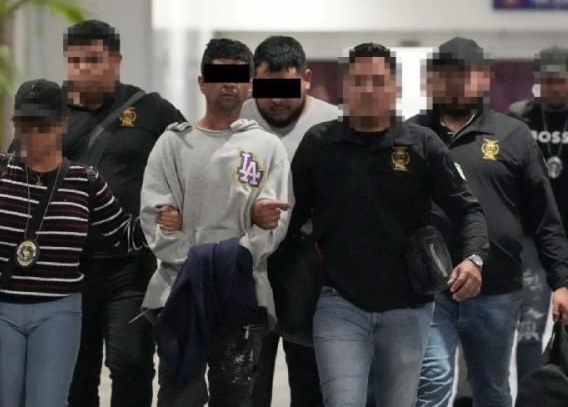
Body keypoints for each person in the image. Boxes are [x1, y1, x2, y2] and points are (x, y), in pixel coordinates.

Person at [287, 42, 488, 407]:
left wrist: (474, 258)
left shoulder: (421, 144)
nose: (368, 90)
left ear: (395, 87)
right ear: (345, 87)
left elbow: (468, 210)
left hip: (408, 308)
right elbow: (291, 220)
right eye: (359, 81)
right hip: (338, 303)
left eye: (378, 81)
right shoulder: (319, 144)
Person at [0, 79, 146, 407]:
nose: (33, 135)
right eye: (25, 125)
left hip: (58, 310)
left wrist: (158, 221)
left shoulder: (85, 181)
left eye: (43, 125)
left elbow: (122, 235)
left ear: (62, 124)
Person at [412, 37, 568, 407]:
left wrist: (562, 281)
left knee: (491, 388)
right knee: (433, 380)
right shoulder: (412, 135)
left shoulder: (513, 134)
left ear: (483, 78)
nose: (455, 84)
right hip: (431, 289)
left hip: (497, 290)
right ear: (431, 80)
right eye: (446, 75)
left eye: (465, 75)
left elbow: (544, 217)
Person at [140, 38, 291, 406]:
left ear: (249, 85)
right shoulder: (172, 144)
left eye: (238, 77)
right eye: (219, 76)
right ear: (201, 82)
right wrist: (194, 262)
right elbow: (155, 218)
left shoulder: (267, 146)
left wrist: (234, 259)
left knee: (236, 397)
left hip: (243, 289)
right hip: (179, 290)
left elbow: (274, 222)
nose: (229, 84)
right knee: (179, 397)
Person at [60, 20, 185, 407]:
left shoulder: (151, 109)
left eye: (94, 59)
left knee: (131, 363)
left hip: (129, 266)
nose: (84, 69)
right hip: (65, 266)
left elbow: (192, 160)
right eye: (75, 61)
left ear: (116, 61)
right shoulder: (48, 110)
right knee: (75, 371)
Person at [240, 35, 339, 407]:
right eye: (267, 89)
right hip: (249, 267)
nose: (277, 100)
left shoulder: (333, 124)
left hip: (311, 270)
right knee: (248, 383)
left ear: (307, 79)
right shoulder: (238, 119)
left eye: (286, 88)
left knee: (309, 382)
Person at [507, 47, 568, 382]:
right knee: (529, 328)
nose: (554, 86)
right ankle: (532, 397)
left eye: (560, 79)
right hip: (531, 238)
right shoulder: (520, 116)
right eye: (548, 79)